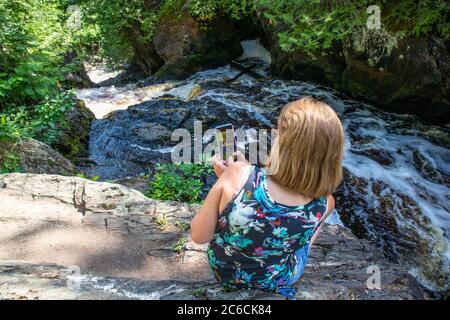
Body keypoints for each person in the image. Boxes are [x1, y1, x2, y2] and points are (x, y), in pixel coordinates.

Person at [190, 96, 345, 299]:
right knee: (299, 243)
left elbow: (199, 236)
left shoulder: (237, 175)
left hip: (225, 274)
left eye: (277, 133)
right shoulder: (326, 203)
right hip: (275, 280)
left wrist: (231, 179)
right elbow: (302, 245)